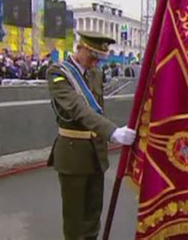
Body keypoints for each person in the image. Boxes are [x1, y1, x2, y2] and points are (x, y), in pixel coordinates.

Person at [46, 31, 137, 240]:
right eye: (93, 56)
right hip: (73, 154)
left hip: (96, 153)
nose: (95, 62)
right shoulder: (58, 74)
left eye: (99, 58)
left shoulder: (95, 73)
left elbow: (98, 109)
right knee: (75, 220)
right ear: (81, 48)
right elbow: (79, 109)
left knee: (93, 215)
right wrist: (112, 132)